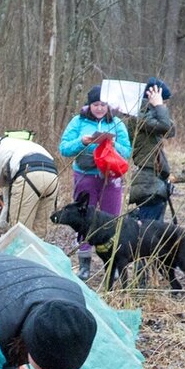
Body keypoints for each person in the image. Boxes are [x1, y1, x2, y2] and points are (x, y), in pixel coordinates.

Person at [58, 86, 131, 280]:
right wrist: (82, 142)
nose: (99, 108)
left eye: (102, 104)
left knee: (113, 220)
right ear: (89, 105)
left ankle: (114, 264)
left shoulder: (117, 123)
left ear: (108, 106)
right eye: (95, 104)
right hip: (85, 175)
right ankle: (84, 265)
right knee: (83, 219)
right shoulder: (78, 122)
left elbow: (127, 151)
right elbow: (64, 148)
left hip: (110, 177)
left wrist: (113, 144)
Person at [125, 79, 176, 222]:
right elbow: (164, 126)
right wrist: (158, 106)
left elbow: (171, 130)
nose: (164, 104)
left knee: (155, 232)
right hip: (147, 181)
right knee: (149, 234)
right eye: (163, 100)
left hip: (155, 179)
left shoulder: (152, 115)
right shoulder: (138, 116)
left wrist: (158, 108)